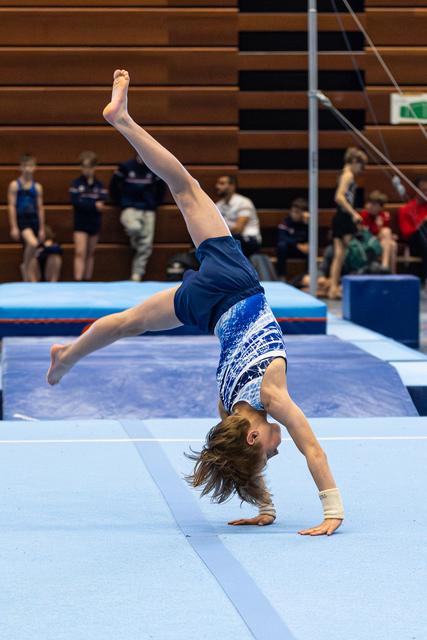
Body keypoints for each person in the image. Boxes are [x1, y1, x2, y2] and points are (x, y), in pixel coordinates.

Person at [47, 70, 344, 536]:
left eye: (267, 450)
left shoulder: (271, 398)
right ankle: (67, 357)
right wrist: (263, 507)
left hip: (234, 285)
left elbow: (313, 451)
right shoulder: (227, 410)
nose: (275, 448)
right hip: (210, 311)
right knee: (130, 323)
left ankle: (122, 120)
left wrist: (332, 512)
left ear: (252, 436)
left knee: (184, 186)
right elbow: (244, 452)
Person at [109, 153, 166, 281]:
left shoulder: (153, 167)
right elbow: (114, 186)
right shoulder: (125, 167)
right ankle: (136, 242)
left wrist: (155, 203)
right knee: (134, 228)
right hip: (130, 207)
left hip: (148, 209)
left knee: (146, 245)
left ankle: (137, 274)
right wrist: (120, 202)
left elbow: (162, 187)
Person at [329, 147, 368, 299]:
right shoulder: (348, 175)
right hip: (344, 216)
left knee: (339, 254)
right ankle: (335, 286)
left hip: (341, 215)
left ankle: (334, 287)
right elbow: (339, 197)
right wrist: (354, 213)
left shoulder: (344, 173)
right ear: (353, 161)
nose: (361, 170)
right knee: (345, 254)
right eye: (360, 166)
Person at [70, 151, 108, 281]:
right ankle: (78, 280)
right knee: (80, 252)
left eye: (89, 167)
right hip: (80, 222)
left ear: (94, 167)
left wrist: (86, 203)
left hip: (94, 222)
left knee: (90, 253)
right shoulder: (76, 184)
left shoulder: (99, 185)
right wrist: (93, 205)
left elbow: (102, 204)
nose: (87, 170)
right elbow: (76, 203)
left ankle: (87, 280)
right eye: (84, 167)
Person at [7, 153, 45, 282]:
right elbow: (11, 206)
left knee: (34, 249)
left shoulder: (38, 187)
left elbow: (40, 208)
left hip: (34, 219)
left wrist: (41, 229)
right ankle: (25, 265)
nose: (28, 169)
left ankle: (29, 273)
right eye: (25, 166)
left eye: (30, 166)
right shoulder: (15, 185)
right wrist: (13, 226)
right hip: (22, 220)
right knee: (33, 243)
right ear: (20, 168)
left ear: (35, 167)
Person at [215, 175, 262, 257]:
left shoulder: (244, 202)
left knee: (232, 239)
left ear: (232, 186)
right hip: (229, 238)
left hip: (249, 240)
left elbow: (238, 229)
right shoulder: (218, 205)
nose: (217, 186)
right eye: (218, 183)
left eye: (222, 183)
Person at [361, 190, 397, 273]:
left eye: (374, 204)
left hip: (380, 242)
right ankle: (385, 267)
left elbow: (385, 236)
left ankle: (391, 273)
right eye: (369, 203)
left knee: (393, 245)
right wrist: (378, 227)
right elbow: (366, 234)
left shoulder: (384, 215)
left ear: (380, 207)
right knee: (387, 231)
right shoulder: (363, 215)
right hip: (368, 242)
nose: (369, 206)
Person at [399, 176, 427, 281]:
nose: (426, 193)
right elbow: (406, 233)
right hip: (414, 243)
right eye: (424, 190)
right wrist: (422, 223)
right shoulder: (406, 209)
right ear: (416, 190)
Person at [276, 198, 309, 278]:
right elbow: (281, 237)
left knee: (311, 250)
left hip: (303, 250)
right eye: (293, 212)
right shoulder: (286, 221)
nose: (294, 214)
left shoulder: (307, 223)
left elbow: (313, 238)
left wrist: (307, 224)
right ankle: (281, 276)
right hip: (290, 249)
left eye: (297, 212)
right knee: (281, 246)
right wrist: (297, 245)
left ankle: (308, 275)